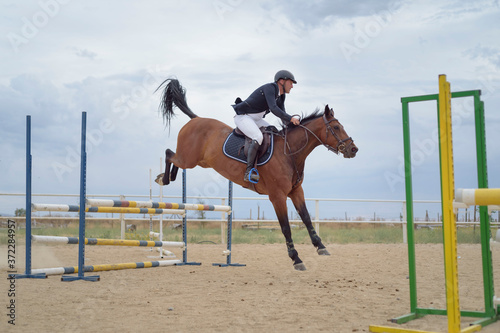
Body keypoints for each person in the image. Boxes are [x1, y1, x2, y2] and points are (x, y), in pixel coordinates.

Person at [233, 70, 301, 183]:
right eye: (291, 83)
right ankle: (248, 171)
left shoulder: (281, 96)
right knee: (258, 137)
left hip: (256, 119)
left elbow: (282, 114)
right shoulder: (270, 88)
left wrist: (292, 126)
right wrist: (291, 118)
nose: (292, 86)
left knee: (274, 131)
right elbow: (274, 109)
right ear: (281, 81)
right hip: (243, 117)